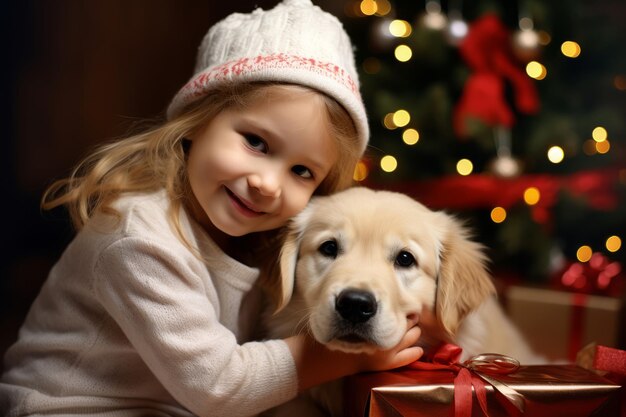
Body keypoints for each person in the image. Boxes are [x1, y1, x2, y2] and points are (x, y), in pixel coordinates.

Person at [0, 0, 423, 416]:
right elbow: (219, 387)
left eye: (302, 171)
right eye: (255, 142)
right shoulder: (138, 238)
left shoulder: (266, 236)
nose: (268, 184)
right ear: (198, 121)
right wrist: (347, 357)